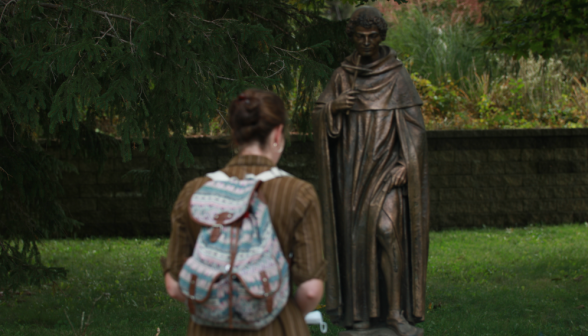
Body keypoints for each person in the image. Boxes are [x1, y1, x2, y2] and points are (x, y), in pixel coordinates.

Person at [164, 88, 326, 336]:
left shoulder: (194, 192)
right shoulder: (298, 193)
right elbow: (311, 290)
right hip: (277, 328)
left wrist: (217, 305)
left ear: (235, 135)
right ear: (278, 133)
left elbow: (175, 286)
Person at [312, 6, 429, 336]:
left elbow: (415, 129)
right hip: (353, 173)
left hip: (387, 170)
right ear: (352, 37)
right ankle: (361, 315)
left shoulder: (396, 75)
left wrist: (408, 164)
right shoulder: (343, 75)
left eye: (372, 37)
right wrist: (334, 107)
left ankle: (395, 313)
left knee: (388, 232)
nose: (366, 43)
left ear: (381, 37)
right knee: (357, 242)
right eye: (360, 37)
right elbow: (319, 116)